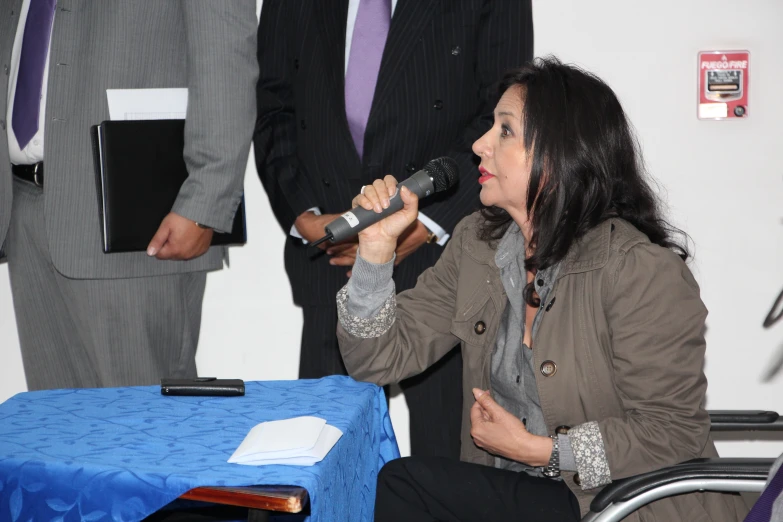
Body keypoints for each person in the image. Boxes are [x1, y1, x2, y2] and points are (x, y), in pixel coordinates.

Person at [336, 57, 748, 521]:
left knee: (407, 485)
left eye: (504, 131)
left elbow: (672, 432)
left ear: (557, 154)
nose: (478, 146)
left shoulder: (640, 271)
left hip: (622, 506)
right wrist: (374, 251)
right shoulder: (477, 245)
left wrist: (545, 451)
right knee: (405, 486)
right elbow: (376, 360)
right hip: (528, 498)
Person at [254, 0, 533, 459]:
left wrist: (423, 224)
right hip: (334, 256)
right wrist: (305, 216)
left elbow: (499, 112)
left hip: (445, 254)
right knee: (326, 458)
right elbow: (272, 103)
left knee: (449, 462)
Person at [0, 1, 258, 390]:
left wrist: (206, 202)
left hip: (133, 216)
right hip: (22, 204)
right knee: (57, 431)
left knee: (143, 429)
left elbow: (227, 54)